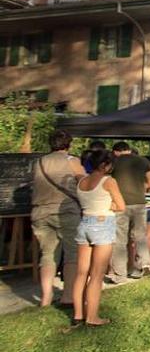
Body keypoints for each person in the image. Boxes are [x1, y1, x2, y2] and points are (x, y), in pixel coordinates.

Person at [72, 149, 126, 327]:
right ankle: (92, 317)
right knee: (97, 275)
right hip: (102, 224)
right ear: (104, 165)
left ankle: (78, 315)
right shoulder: (108, 181)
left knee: (81, 273)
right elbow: (121, 206)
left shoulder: (82, 181)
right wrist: (111, 205)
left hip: (84, 223)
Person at [31, 130, 84, 307]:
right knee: (72, 254)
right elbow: (84, 183)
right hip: (66, 211)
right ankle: (68, 295)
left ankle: (46, 297)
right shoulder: (72, 161)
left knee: (47, 255)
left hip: (40, 212)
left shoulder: (39, 162)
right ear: (69, 144)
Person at [109, 142, 150, 281]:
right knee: (140, 236)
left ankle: (120, 274)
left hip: (120, 204)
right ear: (129, 149)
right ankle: (145, 263)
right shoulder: (144, 161)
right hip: (140, 202)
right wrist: (139, 187)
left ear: (116, 151)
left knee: (120, 239)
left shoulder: (114, 162)